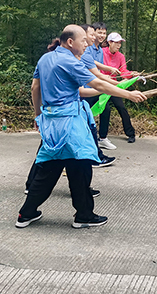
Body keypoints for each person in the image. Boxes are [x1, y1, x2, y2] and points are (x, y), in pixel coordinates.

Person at [16, 25, 146, 229]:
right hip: (70, 125)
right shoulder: (70, 61)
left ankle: (26, 213)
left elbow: (38, 88)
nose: (87, 44)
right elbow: (99, 84)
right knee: (81, 167)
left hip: (51, 122)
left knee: (50, 169)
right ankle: (84, 215)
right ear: (70, 42)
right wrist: (128, 94)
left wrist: (38, 115)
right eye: (84, 40)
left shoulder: (45, 59)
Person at [81, 22, 120, 158]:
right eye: (95, 33)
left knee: (104, 109)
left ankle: (100, 140)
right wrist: (115, 84)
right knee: (85, 116)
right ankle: (93, 151)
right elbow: (95, 70)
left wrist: (115, 83)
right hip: (85, 88)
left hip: (94, 87)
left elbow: (97, 70)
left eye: (104, 33)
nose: (99, 36)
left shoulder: (98, 50)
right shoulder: (86, 49)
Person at [99, 32, 138, 144]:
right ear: (109, 42)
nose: (119, 45)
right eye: (116, 42)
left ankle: (130, 133)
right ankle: (102, 136)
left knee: (121, 107)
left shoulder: (120, 56)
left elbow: (123, 72)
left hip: (114, 85)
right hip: (101, 85)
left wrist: (131, 74)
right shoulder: (101, 53)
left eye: (120, 43)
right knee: (105, 109)